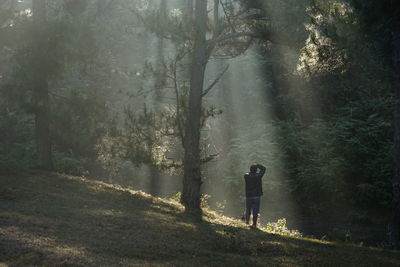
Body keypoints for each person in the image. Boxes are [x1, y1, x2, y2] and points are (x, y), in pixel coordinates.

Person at [244, 163, 266, 228]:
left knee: (248, 209)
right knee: (255, 211)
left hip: (249, 196)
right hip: (256, 196)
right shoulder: (258, 176)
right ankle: (254, 225)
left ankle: (247, 222)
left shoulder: (246, 176)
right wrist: (257, 165)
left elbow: (248, 173)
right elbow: (264, 168)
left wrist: (254, 166)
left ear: (250, 169)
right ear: (256, 170)